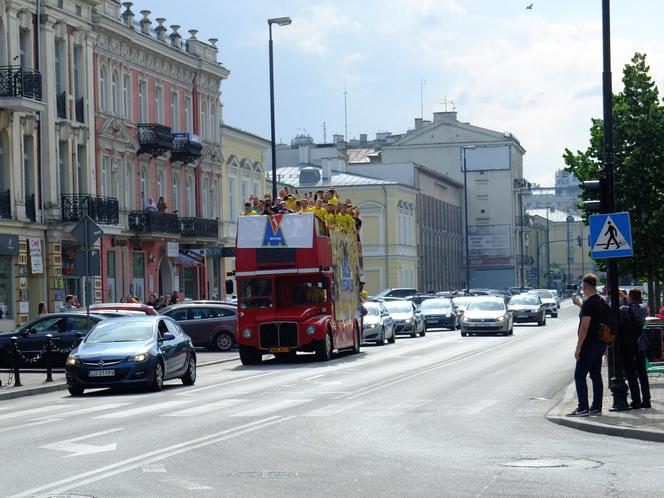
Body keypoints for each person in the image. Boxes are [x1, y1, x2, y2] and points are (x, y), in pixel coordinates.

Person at [568, 274, 607, 417]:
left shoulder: (589, 303)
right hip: (600, 343)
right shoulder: (600, 301)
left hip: (589, 344)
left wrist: (578, 347)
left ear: (584, 287)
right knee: (596, 375)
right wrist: (579, 305)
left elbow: (585, 326)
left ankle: (582, 407)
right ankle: (596, 407)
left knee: (579, 376)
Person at [619, 288, 651, 409]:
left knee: (631, 374)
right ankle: (646, 400)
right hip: (641, 344)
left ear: (630, 297)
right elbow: (634, 308)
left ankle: (636, 401)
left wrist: (623, 299)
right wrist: (625, 298)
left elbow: (620, 317)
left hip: (628, 345)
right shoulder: (643, 309)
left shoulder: (623, 309)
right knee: (642, 374)